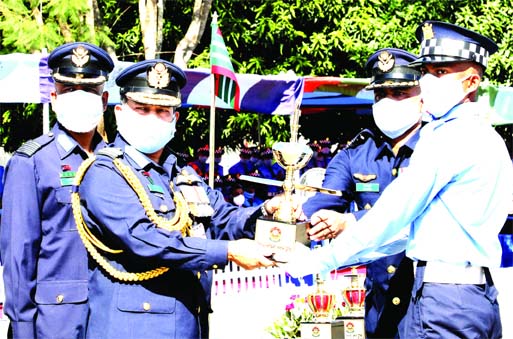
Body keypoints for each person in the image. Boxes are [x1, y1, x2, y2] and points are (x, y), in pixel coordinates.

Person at [287, 21, 513, 339]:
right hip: (477, 298)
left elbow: (391, 215)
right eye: (426, 71)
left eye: (441, 72)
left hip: (443, 302)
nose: (429, 81)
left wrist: (320, 260)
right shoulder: (490, 139)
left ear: (471, 81)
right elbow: (412, 233)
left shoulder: (445, 138)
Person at [71, 59, 294, 339]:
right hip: (133, 328)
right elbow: (146, 239)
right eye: (142, 109)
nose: (152, 117)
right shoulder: (105, 172)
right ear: (120, 112)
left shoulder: (181, 172)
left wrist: (266, 213)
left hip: (189, 322)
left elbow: (221, 217)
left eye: (162, 110)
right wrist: (227, 252)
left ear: (174, 118)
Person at [302, 48, 422, 338]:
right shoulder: (356, 154)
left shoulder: (437, 149)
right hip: (378, 307)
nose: (389, 103)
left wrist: (350, 221)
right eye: (381, 95)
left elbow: (421, 215)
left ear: (422, 97)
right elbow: (327, 197)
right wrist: (297, 212)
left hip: (427, 303)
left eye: (401, 94)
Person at [0, 42, 114, 339]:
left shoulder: (116, 162)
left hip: (110, 318)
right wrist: (23, 329)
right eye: (67, 91)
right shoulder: (32, 162)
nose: (79, 98)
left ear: (104, 100)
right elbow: (18, 257)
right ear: (53, 97)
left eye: (88, 91)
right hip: (53, 323)